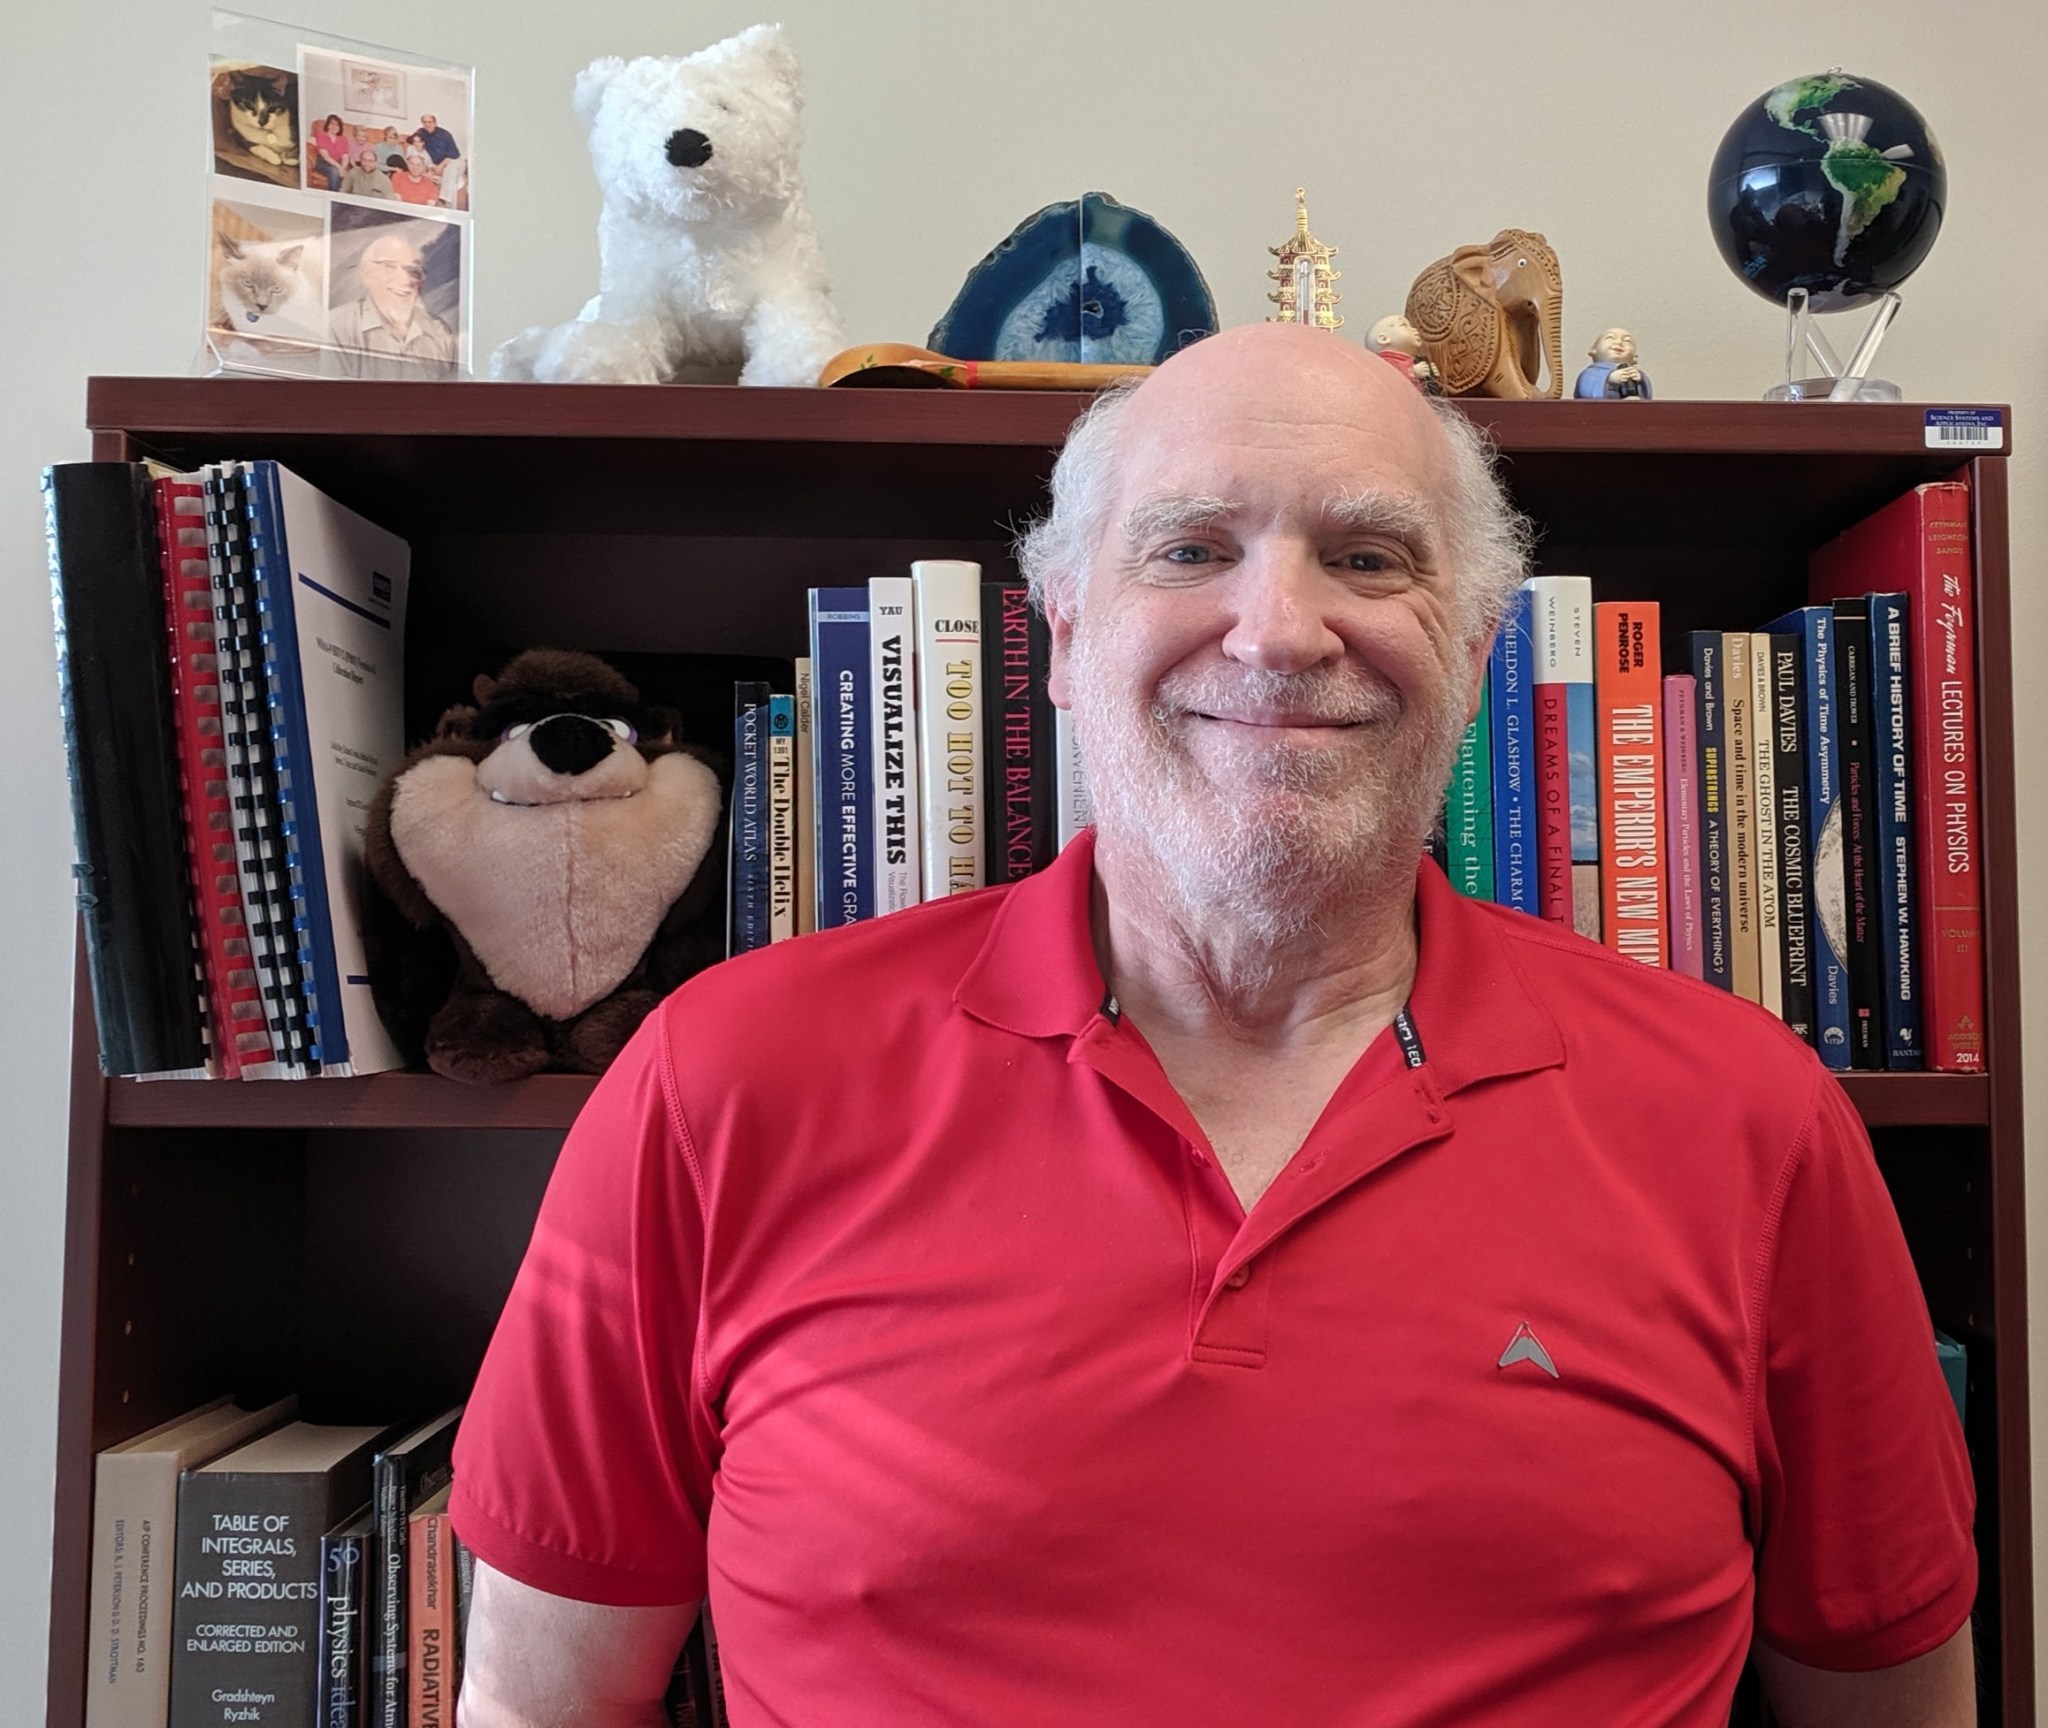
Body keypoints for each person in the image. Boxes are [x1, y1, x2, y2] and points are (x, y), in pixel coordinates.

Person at [449, 323, 1975, 1727]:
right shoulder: (721, 1083)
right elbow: (544, 1703)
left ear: (1481, 645)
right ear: (1059, 633)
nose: (1280, 629)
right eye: (1191, 547)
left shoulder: (1746, 1120)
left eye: (1370, 556)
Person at [326, 231, 457, 378]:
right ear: (367, 274)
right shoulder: (335, 327)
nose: (405, 280)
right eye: (389, 267)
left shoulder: (440, 332)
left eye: (413, 271)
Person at [1575, 326, 1653, 399]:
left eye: (1627, 341)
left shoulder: (1637, 374)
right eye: (1610, 338)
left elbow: (1647, 397)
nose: (1619, 342)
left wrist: (1641, 381)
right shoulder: (1591, 373)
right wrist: (1609, 379)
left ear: (1635, 356)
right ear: (1593, 349)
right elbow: (1586, 393)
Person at [308, 112, 350, 191]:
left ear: (340, 127)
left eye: (337, 125)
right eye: (332, 124)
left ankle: (340, 194)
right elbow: (326, 156)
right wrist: (339, 168)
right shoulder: (321, 135)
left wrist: (343, 168)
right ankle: (333, 196)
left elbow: (345, 157)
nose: (334, 126)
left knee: (347, 174)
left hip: (339, 162)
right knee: (334, 171)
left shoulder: (343, 139)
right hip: (323, 162)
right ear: (328, 125)